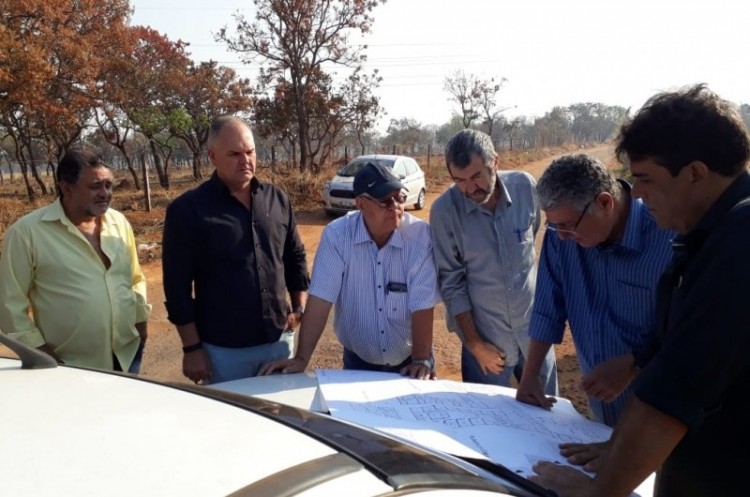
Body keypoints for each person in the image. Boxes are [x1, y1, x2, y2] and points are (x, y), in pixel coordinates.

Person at [531, 84, 750, 497]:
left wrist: (596, 493)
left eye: (645, 179)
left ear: (695, 174)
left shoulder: (740, 243)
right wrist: (615, 445)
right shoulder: (709, 239)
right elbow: (668, 359)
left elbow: (675, 389)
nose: (640, 193)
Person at [515, 154, 673, 426]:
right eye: (554, 225)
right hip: (600, 413)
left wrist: (635, 364)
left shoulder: (668, 235)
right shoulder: (561, 236)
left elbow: (691, 328)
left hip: (658, 415)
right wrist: (530, 377)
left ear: (604, 203)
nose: (561, 236)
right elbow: (548, 307)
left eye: (567, 225)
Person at [162, 116, 309, 384]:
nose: (245, 161)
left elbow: (294, 256)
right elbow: (176, 287)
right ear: (213, 156)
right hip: (224, 353)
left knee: (280, 417)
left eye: (250, 152)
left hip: (279, 343)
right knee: (229, 423)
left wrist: (298, 305)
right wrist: (192, 348)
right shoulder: (188, 210)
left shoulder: (277, 199)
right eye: (234, 154)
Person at [260, 162, 440, 380]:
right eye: (385, 201)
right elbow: (320, 301)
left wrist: (421, 360)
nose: (395, 206)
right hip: (358, 363)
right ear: (361, 204)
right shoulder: (337, 236)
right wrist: (301, 358)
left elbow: (422, 304)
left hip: (410, 363)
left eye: (399, 198)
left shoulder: (420, 237)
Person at [0, 147, 150, 372]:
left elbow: (135, 277)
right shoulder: (26, 233)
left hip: (128, 355)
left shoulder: (119, 223)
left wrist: (141, 323)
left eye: (108, 185)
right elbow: (9, 304)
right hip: (68, 365)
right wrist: (40, 352)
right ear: (66, 188)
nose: (105, 193)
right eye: (95, 186)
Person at [430, 129, 557, 393]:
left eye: (477, 176)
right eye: (459, 180)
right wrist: (476, 345)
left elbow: (530, 244)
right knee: (488, 424)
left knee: (548, 417)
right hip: (486, 346)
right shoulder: (444, 212)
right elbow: (451, 284)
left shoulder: (526, 188)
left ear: (495, 162)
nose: (470, 188)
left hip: (534, 338)